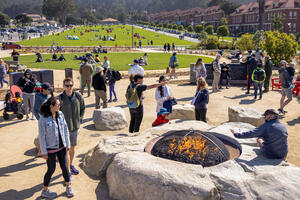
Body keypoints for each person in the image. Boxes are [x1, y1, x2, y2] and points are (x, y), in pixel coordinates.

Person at [38, 97, 74, 198]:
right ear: (51, 106)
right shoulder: (43, 119)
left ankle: (68, 187)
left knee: (65, 168)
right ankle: (45, 190)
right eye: (57, 105)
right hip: (50, 149)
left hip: (62, 147)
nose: (59, 106)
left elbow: (65, 129)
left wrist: (67, 144)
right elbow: (42, 136)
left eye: (59, 104)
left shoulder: (60, 114)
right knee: (51, 169)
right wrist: (44, 152)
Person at [59, 78, 85, 176]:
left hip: (75, 127)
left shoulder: (78, 96)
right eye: (67, 85)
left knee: (72, 148)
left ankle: (70, 165)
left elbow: (82, 108)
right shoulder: (60, 98)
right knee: (66, 149)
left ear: (73, 86)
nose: (69, 87)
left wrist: (80, 120)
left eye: (70, 85)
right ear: (63, 86)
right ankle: (66, 169)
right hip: (64, 129)